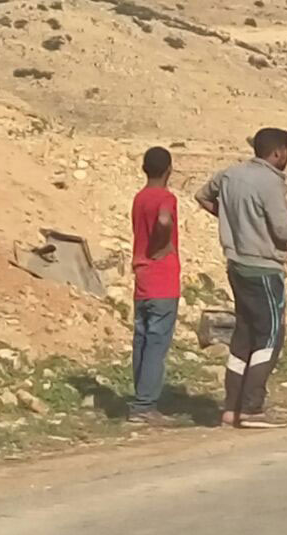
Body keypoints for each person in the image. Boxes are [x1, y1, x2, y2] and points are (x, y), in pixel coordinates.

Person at [195, 127, 287, 428]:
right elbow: (282, 229)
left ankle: (231, 407)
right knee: (271, 336)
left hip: (236, 265)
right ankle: (252, 408)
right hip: (263, 270)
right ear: (279, 152)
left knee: (244, 336)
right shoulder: (270, 183)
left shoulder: (230, 174)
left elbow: (202, 196)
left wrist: (233, 221)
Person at [127, 146, 181, 425]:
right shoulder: (166, 197)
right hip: (163, 280)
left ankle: (140, 397)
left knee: (142, 339)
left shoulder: (139, 198)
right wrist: (163, 243)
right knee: (157, 343)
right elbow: (163, 219)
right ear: (169, 170)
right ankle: (144, 405)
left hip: (143, 278)